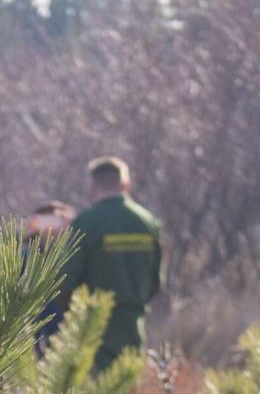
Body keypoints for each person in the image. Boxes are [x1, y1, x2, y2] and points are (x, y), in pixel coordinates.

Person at [60, 156, 163, 372]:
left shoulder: (86, 222)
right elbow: (155, 281)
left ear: (92, 186)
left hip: (93, 332)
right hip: (132, 328)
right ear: (125, 184)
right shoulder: (147, 222)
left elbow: (65, 280)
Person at [23, 200, 75, 353]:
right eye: (45, 221)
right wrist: (27, 235)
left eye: (57, 222)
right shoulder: (24, 254)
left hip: (65, 337)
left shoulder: (75, 256)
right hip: (30, 337)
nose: (51, 228)